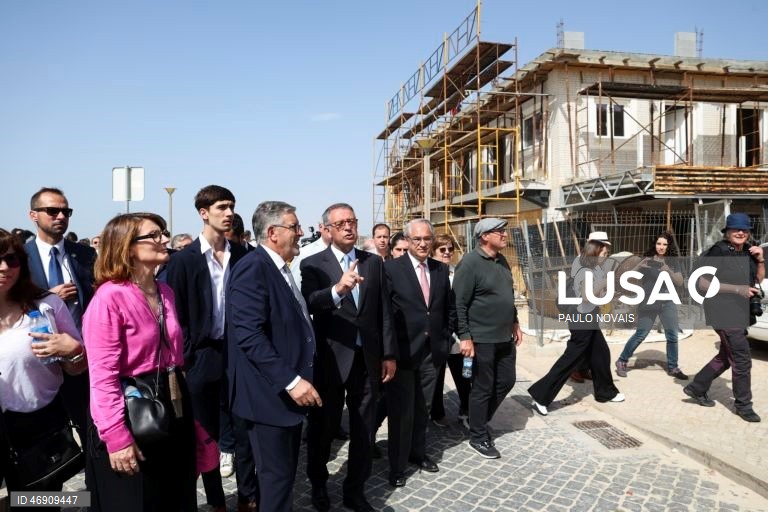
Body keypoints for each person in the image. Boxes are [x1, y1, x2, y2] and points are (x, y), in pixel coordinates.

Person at [83, 213, 197, 511]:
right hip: (131, 410)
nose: (164, 240)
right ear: (127, 247)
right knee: (137, 499)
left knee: (174, 495)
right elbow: (102, 375)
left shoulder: (165, 291)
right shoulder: (109, 298)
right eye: (154, 235)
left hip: (172, 403)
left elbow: (175, 358)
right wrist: (117, 438)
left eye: (163, 233)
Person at [302, 203, 397, 512]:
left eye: (352, 221)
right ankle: (318, 485)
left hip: (367, 361)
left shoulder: (373, 263)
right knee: (323, 430)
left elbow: (384, 312)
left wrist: (388, 354)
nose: (348, 227)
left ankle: (355, 491)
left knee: (364, 429)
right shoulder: (313, 264)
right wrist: (337, 290)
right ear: (327, 229)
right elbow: (310, 303)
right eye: (340, 223)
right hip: (330, 361)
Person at [165, 186, 255, 512]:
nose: (229, 212)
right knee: (203, 437)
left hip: (238, 356)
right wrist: (188, 356)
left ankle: (247, 498)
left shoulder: (243, 255)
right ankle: (215, 502)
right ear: (204, 213)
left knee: (243, 430)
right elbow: (172, 314)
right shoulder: (183, 261)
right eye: (221, 207)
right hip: (200, 359)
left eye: (232, 206)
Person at [226, 201, 319, 512]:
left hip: (284, 398)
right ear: (272, 233)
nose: (300, 232)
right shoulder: (253, 268)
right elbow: (249, 336)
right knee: (276, 482)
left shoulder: (278, 267)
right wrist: (292, 381)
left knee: (281, 480)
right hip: (269, 399)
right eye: (294, 227)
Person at [0, 229, 87, 506]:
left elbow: (77, 367)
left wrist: (73, 350)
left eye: (11, 260)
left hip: (38, 426)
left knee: (38, 502)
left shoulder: (47, 306)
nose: (3, 267)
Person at [383, 219, 454, 487]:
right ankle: (397, 465)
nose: (423, 244)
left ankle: (418, 453)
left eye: (427, 239)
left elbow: (447, 309)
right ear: (408, 241)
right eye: (417, 240)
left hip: (431, 352)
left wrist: (444, 340)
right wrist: (387, 352)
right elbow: (386, 314)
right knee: (402, 412)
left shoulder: (439, 269)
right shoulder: (391, 269)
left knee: (423, 408)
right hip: (401, 353)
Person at [25, 187, 96, 453]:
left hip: (82, 359)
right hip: (39, 365)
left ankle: (93, 493)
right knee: (44, 449)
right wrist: (46, 297)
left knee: (91, 434)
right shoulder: (19, 258)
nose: (60, 216)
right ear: (33, 215)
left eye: (66, 211)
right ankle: (43, 497)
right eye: (52, 211)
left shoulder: (85, 255)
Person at [528, 232, 625, 418]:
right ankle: (540, 395)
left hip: (589, 316)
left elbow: (596, 296)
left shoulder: (595, 268)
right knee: (570, 359)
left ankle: (606, 392)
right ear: (595, 250)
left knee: (601, 353)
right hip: (581, 319)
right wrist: (606, 280)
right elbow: (587, 296)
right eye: (605, 252)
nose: (607, 256)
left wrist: (611, 294)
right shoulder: (583, 269)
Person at [684, 213, 764, 423]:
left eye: (744, 230)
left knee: (725, 357)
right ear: (727, 232)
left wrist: (761, 259)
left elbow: (758, 278)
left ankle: (697, 387)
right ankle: (743, 406)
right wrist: (737, 289)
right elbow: (701, 283)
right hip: (723, 311)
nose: (740, 233)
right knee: (741, 359)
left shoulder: (748, 252)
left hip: (740, 312)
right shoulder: (717, 251)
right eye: (736, 229)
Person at [454, 218, 522, 459]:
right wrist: (465, 337)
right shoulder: (470, 264)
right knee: (482, 387)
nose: (504, 235)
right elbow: (459, 304)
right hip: (481, 338)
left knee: (507, 380)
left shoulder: (502, 260)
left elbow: (508, 295)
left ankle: (476, 418)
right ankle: (478, 436)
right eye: (499, 231)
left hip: (504, 336)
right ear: (484, 237)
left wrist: (515, 321)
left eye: (504, 231)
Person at [616, 233, 688, 379]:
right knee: (641, 334)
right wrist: (639, 266)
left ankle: (673, 367)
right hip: (649, 300)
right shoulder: (647, 260)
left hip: (667, 300)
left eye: (664, 244)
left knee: (672, 335)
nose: (661, 247)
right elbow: (627, 277)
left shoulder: (673, 262)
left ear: (669, 246)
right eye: (658, 244)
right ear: (654, 245)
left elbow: (680, 282)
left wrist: (667, 270)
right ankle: (622, 361)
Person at [429, 233, 470, 429]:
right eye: (442, 249)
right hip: (438, 333)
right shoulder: (429, 271)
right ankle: (437, 412)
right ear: (433, 251)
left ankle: (467, 408)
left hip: (458, 333)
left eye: (450, 249)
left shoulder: (457, 272)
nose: (447, 253)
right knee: (436, 377)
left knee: (464, 373)